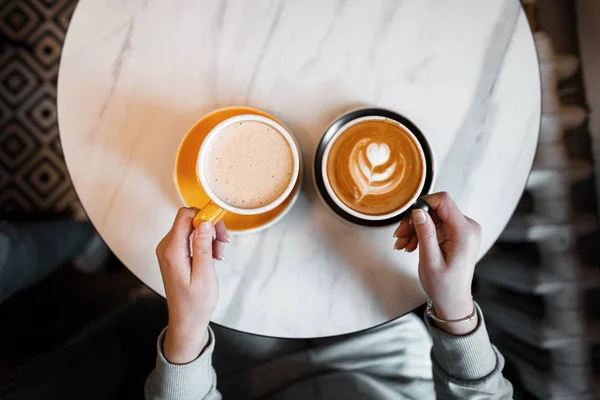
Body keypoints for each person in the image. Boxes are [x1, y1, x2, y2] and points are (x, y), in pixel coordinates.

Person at [144, 192, 514, 399]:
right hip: (387, 356)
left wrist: (188, 326)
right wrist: (455, 308)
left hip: (259, 377)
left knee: (213, 278)